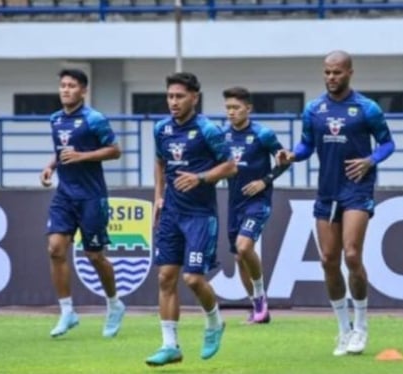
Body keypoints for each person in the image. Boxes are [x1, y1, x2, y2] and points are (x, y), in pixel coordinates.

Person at [276, 51, 395, 356]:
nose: (331, 78)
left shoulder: (367, 108)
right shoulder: (314, 109)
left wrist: (370, 160)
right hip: (327, 192)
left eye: (337, 73)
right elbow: (306, 145)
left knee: (352, 256)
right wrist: (292, 155)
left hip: (357, 190)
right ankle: (343, 330)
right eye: (327, 73)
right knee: (329, 260)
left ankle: (362, 326)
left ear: (350, 73)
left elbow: (387, 143)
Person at [145, 72, 237, 366]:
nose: (173, 102)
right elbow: (160, 162)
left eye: (179, 96)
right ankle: (170, 345)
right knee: (165, 277)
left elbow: (230, 167)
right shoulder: (161, 129)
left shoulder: (208, 130)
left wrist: (201, 177)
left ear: (194, 97)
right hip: (171, 211)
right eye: (170, 96)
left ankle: (214, 323)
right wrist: (158, 197)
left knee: (193, 278)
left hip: (199, 215)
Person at [39, 68, 126, 339]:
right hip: (65, 195)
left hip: (92, 196)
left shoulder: (94, 119)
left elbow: (115, 150)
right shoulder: (55, 119)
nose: (65, 90)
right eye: (62, 85)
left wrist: (83, 155)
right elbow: (61, 151)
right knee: (55, 248)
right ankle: (67, 311)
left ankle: (114, 304)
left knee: (94, 256)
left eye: (71, 86)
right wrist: (51, 166)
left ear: (83, 91)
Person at [221, 86, 289, 324]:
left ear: (248, 109)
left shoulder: (263, 134)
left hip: (257, 202)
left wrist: (265, 181)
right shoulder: (222, 135)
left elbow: (284, 161)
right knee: (240, 257)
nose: (231, 112)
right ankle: (258, 307)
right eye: (228, 108)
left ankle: (260, 298)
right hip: (234, 203)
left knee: (243, 246)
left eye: (236, 108)